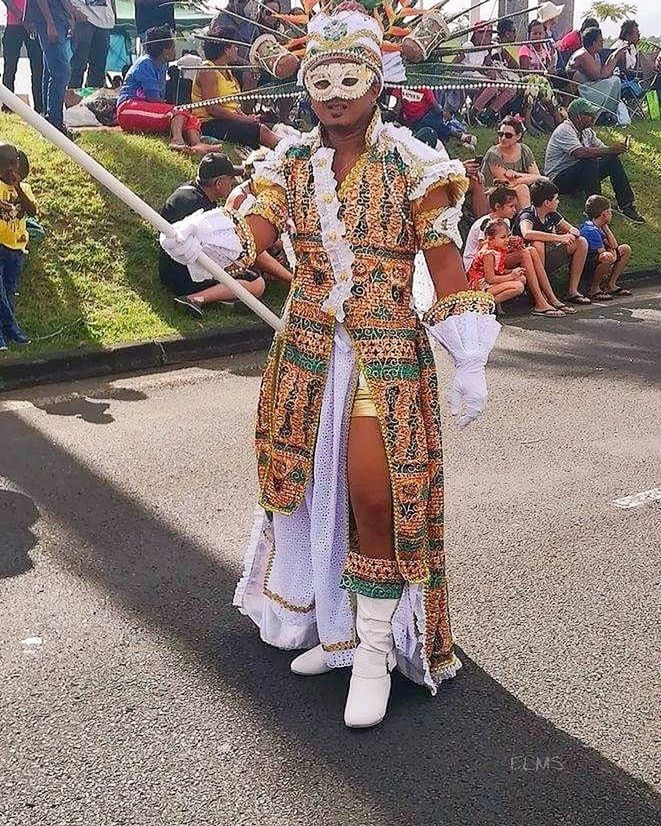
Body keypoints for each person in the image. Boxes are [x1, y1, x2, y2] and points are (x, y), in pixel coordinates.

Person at [161, 2, 501, 729]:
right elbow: (255, 235)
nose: (336, 92)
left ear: (376, 81)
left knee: (376, 500)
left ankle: (376, 651)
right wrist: (207, 242)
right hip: (308, 351)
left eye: (351, 77)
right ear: (306, 86)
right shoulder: (284, 161)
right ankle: (334, 628)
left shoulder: (416, 163)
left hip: (385, 354)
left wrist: (467, 354)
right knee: (309, 492)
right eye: (322, 79)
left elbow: (444, 267)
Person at [159, 153, 269, 315]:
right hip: (184, 276)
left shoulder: (188, 193)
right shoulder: (200, 209)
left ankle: (222, 298)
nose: (233, 183)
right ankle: (195, 299)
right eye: (230, 180)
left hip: (170, 269)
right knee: (257, 283)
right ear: (218, 183)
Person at [464, 185, 570, 317]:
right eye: (511, 206)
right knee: (526, 253)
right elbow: (483, 253)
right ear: (497, 207)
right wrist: (510, 272)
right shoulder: (487, 224)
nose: (515, 210)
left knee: (530, 250)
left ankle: (549, 296)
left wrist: (514, 244)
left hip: (495, 261)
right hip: (478, 269)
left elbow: (500, 251)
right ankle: (540, 301)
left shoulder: (506, 222)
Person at [544, 98, 645, 224]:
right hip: (558, 180)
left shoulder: (587, 131)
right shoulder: (564, 129)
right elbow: (579, 153)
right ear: (579, 117)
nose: (594, 117)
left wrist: (615, 151)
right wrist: (610, 150)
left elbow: (602, 150)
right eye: (590, 114)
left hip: (577, 174)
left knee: (611, 160)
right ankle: (596, 210)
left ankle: (627, 205)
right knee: (589, 160)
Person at [116, 27, 207, 154]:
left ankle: (197, 144)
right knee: (178, 111)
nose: (175, 51)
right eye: (173, 47)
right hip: (128, 108)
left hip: (148, 109)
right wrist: (172, 111)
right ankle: (177, 140)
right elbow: (154, 99)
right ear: (165, 50)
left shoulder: (163, 65)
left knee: (190, 117)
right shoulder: (145, 64)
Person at [190, 27, 281, 150]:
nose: (237, 49)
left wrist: (247, 117)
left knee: (273, 125)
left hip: (227, 119)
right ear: (226, 50)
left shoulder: (226, 68)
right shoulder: (208, 70)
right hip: (210, 123)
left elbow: (233, 105)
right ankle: (291, 153)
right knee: (262, 130)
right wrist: (243, 119)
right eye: (234, 46)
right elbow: (212, 108)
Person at [515, 178, 589, 305]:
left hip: (547, 256)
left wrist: (573, 231)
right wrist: (559, 238)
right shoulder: (527, 214)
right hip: (528, 262)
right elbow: (526, 233)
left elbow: (569, 227)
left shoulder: (552, 214)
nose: (558, 202)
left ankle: (573, 291)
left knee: (581, 242)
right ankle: (541, 293)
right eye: (556, 199)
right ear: (547, 202)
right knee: (537, 243)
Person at [26, 0, 84, 132]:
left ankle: (50, 121)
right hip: (49, 20)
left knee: (51, 71)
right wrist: (50, 23)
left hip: (58, 18)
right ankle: (54, 121)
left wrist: (71, 15)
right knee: (61, 72)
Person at [0, 143, 37, 349]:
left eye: (15, 163)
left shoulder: (25, 188)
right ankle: (9, 329)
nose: (12, 169)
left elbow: (32, 211)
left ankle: (9, 329)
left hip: (16, 247)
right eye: (7, 165)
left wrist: (18, 188)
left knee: (9, 290)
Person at [457, 20, 517, 125]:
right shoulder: (468, 46)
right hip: (466, 77)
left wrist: (491, 70)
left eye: (490, 34)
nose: (489, 37)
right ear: (477, 34)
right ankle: (472, 114)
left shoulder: (484, 49)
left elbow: (489, 64)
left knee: (511, 88)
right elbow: (455, 64)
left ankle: (488, 114)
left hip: (478, 78)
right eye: (488, 34)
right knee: (492, 86)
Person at [566, 27, 628, 124]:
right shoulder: (583, 54)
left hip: (589, 88)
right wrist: (615, 57)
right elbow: (598, 76)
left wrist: (613, 56)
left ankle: (606, 114)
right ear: (593, 43)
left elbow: (603, 74)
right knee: (613, 82)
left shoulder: (595, 55)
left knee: (615, 80)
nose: (603, 41)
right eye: (600, 39)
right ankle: (602, 115)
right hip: (581, 92)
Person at [481, 116, 545, 206]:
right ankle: (527, 219)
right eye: (500, 134)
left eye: (508, 135)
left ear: (518, 136)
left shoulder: (524, 150)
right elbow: (510, 183)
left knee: (542, 190)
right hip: (493, 195)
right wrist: (537, 178)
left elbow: (537, 178)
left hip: (515, 195)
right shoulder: (493, 154)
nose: (503, 138)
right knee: (522, 189)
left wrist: (518, 174)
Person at [579, 194, 632, 300]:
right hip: (588, 265)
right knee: (607, 257)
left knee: (625, 249)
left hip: (599, 258)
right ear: (604, 214)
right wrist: (612, 252)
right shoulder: (591, 230)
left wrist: (606, 227)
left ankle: (610, 285)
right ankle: (594, 289)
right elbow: (606, 254)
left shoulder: (600, 226)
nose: (611, 214)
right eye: (610, 211)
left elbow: (614, 246)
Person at [467, 219, 526, 308]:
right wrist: (511, 276)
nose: (507, 240)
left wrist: (513, 271)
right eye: (503, 237)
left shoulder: (499, 248)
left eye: (508, 236)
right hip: (481, 286)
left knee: (521, 278)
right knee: (518, 287)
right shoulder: (489, 254)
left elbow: (499, 270)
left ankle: (490, 303)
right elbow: (490, 279)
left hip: (490, 283)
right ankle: (484, 305)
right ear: (491, 240)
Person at [518, 19, 563, 133]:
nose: (538, 36)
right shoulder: (525, 49)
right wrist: (544, 73)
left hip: (542, 83)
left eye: (540, 33)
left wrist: (551, 67)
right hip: (526, 82)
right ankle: (527, 121)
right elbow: (525, 71)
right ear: (529, 35)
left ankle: (557, 121)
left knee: (541, 82)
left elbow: (548, 68)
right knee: (535, 81)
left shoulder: (545, 49)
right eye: (535, 34)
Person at [394, 88, 476, 148]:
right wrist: (395, 118)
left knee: (434, 124)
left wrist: (441, 114)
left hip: (425, 116)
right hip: (409, 120)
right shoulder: (401, 85)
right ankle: (460, 138)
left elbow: (434, 105)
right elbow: (397, 103)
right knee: (433, 126)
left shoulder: (423, 86)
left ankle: (461, 137)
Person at [1, 0, 43, 113]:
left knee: (38, 68)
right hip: (14, 25)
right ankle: (7, 106)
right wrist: (20, 15)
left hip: (35, 24)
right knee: (10, 68)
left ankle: (40, 108)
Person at [68, 0, 115, 90]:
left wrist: (113, 14)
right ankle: (73, 100)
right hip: (83, 18)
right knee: (78, 64)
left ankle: (93, 100)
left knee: (99, 67)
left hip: (104, 22)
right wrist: (73, 12)